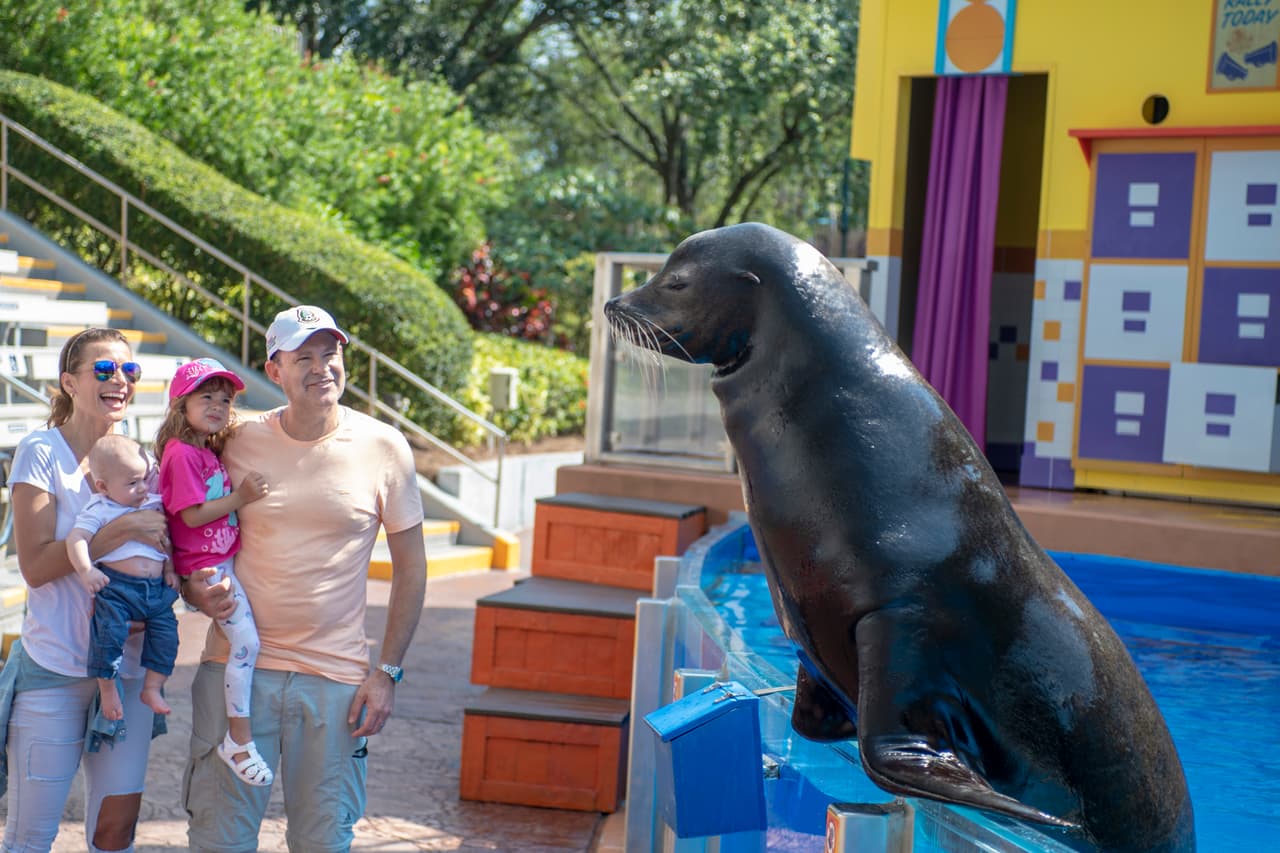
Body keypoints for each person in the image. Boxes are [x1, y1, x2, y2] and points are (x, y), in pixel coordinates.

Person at [181, 305, 427, 852]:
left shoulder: (384, 447)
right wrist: (191, 587)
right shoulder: (235, 439)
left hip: (334, 680)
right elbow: (185, 529)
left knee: (322, 843)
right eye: (305, 357)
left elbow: (412, 566)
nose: (322, 368)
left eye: (331, 354)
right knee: (219, 841)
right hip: (235, 674)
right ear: (275, 371)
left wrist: (387, 672)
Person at [0, 327, 170, 853]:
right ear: (69, 382)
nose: (119, 380)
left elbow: (163, 550)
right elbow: (35, 566)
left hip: (129, 673)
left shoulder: (144, 461)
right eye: (103, 370)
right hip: (54, 671)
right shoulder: (40, 452)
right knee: (31, 836)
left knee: (114, 834)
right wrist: (119, 532)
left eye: (128, 370)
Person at [155, 358, 271, 787]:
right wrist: (241, 496)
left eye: (225, 399)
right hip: (206, 567)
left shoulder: (203, 450)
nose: (218, 406)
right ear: (181, 404)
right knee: (247, 643)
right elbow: (190, 514)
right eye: (206, 397)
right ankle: (238, 741)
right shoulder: (182, 453)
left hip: (219, 559)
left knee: (246, 640)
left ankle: (239, 738)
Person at [66, 434, 179, 723]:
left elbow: (166, 541)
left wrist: (169, 569)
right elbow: (77, 539)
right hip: (117, 587)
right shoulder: (100, 507)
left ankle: (153, 687)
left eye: (143, 478)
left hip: (155, 590)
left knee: (167, 635)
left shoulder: (152, 502)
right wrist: (86, 570)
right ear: (103, 486)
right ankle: (107, 688)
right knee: (108, 635)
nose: (142, 488)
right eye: (132, 483)